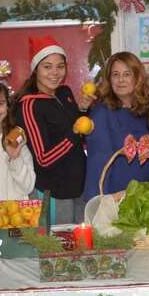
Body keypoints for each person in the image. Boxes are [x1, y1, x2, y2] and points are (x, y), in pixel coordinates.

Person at [14, 36, 94, 224]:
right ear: (35, 70)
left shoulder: (64, 93)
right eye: (47, 67)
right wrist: (73, 133)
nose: (55, 73)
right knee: (60, 248)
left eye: (60, 66)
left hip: (80, 187)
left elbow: (76, 129)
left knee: (83, 247)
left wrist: (82, 109)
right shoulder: (29, 105)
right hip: (55, 192)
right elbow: (43, 158)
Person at [83, 52, 149, 202]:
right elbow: (98, 164)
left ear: (137, 77)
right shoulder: (101, 113)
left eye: (127, 74)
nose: (121, 80)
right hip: (116, 199)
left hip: (147, 197)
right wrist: (101, 204)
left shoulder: (148, 110)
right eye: (115, 74)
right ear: (109, 79)